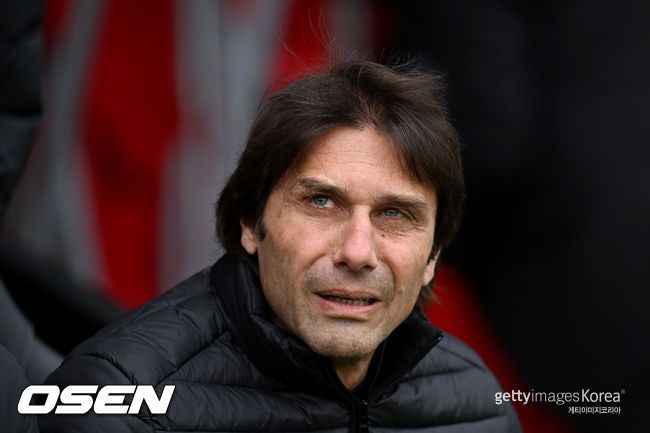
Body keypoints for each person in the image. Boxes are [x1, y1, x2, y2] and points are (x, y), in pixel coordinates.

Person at [40, 61, 522, 433]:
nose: (358, 252)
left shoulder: (475, 402)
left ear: (433, 254)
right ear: (251, 220)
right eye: (321, 202)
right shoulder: (119, 404)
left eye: (394, 214)